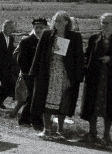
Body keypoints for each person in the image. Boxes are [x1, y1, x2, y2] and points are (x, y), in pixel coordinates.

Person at [29, 11, 85, 141]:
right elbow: (38, 54)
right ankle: (46, 129)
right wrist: (34, 72)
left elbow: (79, 58)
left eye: (60, 20)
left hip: (65, 74)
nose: (57, 23)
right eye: (55, 20)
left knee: (63, 102)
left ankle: (60, 130)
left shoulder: (74, 37)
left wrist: (78, 77)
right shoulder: (47, 34)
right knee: (45, 101)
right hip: (48, 74)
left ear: (66, 22)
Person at [80, 13, 112, 147]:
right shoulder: (94, 38)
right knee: (92, 103)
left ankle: (106, 134)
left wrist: (111, 59)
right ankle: (92, 132)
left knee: (109, 106)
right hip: (94, 77)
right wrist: (84, 68)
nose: (104, 25)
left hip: (111, 78)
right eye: (102, 23)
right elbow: (87, 55)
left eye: (107, 23)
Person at [13, 18, 47, 127]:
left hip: (42, 74)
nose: (38, 30)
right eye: (36, 27)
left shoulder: (47, 41)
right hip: (29, 74)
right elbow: (21, 60)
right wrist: (27, 73)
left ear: (45, 28)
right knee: (32, 95)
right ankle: (25, 119)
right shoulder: (26, 41)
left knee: (39, 96)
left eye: (41, 27)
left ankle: (35, 119)